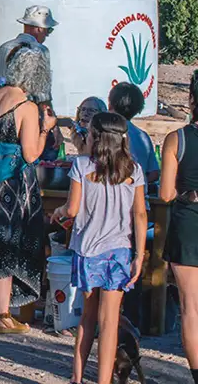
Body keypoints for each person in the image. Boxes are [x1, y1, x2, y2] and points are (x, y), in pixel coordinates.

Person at [0, 45, 57, 333]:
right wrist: (46, 128)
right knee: (5, 240)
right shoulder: (26, 106)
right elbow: (30, 154)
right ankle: (3, 314)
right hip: (10, 184)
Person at [52, 112, 147, 384]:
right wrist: (139, 255)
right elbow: (140, 215)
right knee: (109, 324)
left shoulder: (82, 166)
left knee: (87, 319)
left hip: (87, 251)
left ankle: (77, 376)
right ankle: (104, 380)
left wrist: (58, 213)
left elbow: (72, 208)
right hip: (119, 252)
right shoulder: (133, 170)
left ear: (95, 137)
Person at [159, 71, 198, 384]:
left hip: (187, 224)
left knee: (191, 308)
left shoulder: (176, 139)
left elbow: (165, 194)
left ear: (191, 100)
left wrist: (188, 192)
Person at [0, 5, 57, 97]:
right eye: (48, 30)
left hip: (0, 102)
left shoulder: (4, 47)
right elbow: (42, 89)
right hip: (25, 105)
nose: (47, 35)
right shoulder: (40, 50)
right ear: (40, 29)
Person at [109, 82, 161, 188]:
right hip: (138, 195)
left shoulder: (105, 133)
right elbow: (154, 173)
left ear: (110, 105)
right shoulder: (143, 136)